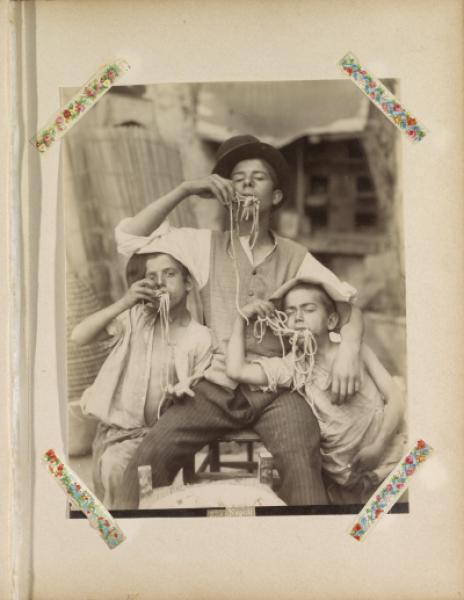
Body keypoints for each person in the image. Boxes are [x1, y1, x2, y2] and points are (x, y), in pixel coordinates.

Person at [114, 134, 364, 509]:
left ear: (276, 198)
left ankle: (311, 554)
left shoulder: (296, 256)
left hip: (277, 389)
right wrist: (185, 189)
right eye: (238, 176)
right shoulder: (203, 245)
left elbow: (348, 305)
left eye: (259, 176)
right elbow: (130, 238)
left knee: (302, 458)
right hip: (213, 386)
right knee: (149, 457)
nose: (246, 182)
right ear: (224, 191)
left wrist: (349, 352)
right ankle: (130, 551)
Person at [226, 278, 406, 503]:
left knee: (406, 524)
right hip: (349, 484)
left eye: (308, 309)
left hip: (395, 466)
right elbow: (237, 370)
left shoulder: (355, 353)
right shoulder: (293, 367)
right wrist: (240, 322)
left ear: (331, 321)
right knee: (356, 533)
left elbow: (396, 398)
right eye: (290, 312)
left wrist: (379, 446)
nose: (298, 317)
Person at [72, 249, 213, 508]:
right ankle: (119, 534)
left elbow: (202, 389)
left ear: (188, 283)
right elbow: (79, 336)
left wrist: (185, 389)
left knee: (154, 495)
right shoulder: (135, 319)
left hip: (166, 435)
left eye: (170, 274)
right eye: (152, 276)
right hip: (122, 432)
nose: (160, 282)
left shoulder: (199, 337)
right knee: (115, 472)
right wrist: (125, 302)